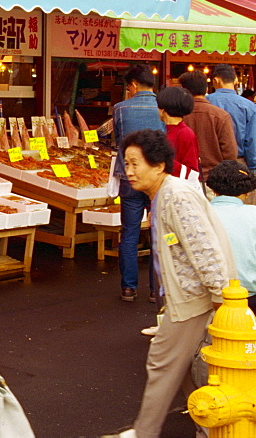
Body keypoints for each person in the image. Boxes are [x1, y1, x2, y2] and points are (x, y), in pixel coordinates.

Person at [103, 129, 234, 438]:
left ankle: (145, 433)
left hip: (195, 300)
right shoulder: (164, 194)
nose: (129, 172)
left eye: (136, 164)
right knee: (186, 371)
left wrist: (221, 301)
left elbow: (205, 250)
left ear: (159, 165)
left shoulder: (175, 196)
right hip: (189, 298)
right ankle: (211, 428)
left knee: (162, 363)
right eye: (126, 164)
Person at [112, 64, 165, 303]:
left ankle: (128, 288)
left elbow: (118, 140)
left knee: (130, 233)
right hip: (156, 179)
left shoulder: (121, 109)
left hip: (129, 177)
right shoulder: (163, 108)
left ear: (133, 85)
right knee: (158, 232)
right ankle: (156, 290)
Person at [206, 160, 256, 314]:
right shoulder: (253, 214)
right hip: (249, 296)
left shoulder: (201, 215)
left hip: (210, 299)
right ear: (247, 192)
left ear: (214, 190)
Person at [179, 71, 238, 191]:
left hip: (184, 180)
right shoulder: (221, 115)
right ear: (206, 89)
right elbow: (230, 152)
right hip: (214, 181)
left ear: (184, 90)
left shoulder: (177, 115)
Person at [208, 65, 256, 181]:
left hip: (210, 162)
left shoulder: (205, 102)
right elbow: (251, 141)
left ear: (215, 80)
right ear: (235, 80)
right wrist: (252, 167)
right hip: (239, 162)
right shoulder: (249, 106)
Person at [156, 86, 199, 179]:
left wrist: (161, 161)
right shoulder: (164, 129)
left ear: (163, 110)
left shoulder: (185, 133)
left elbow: (192, 171)